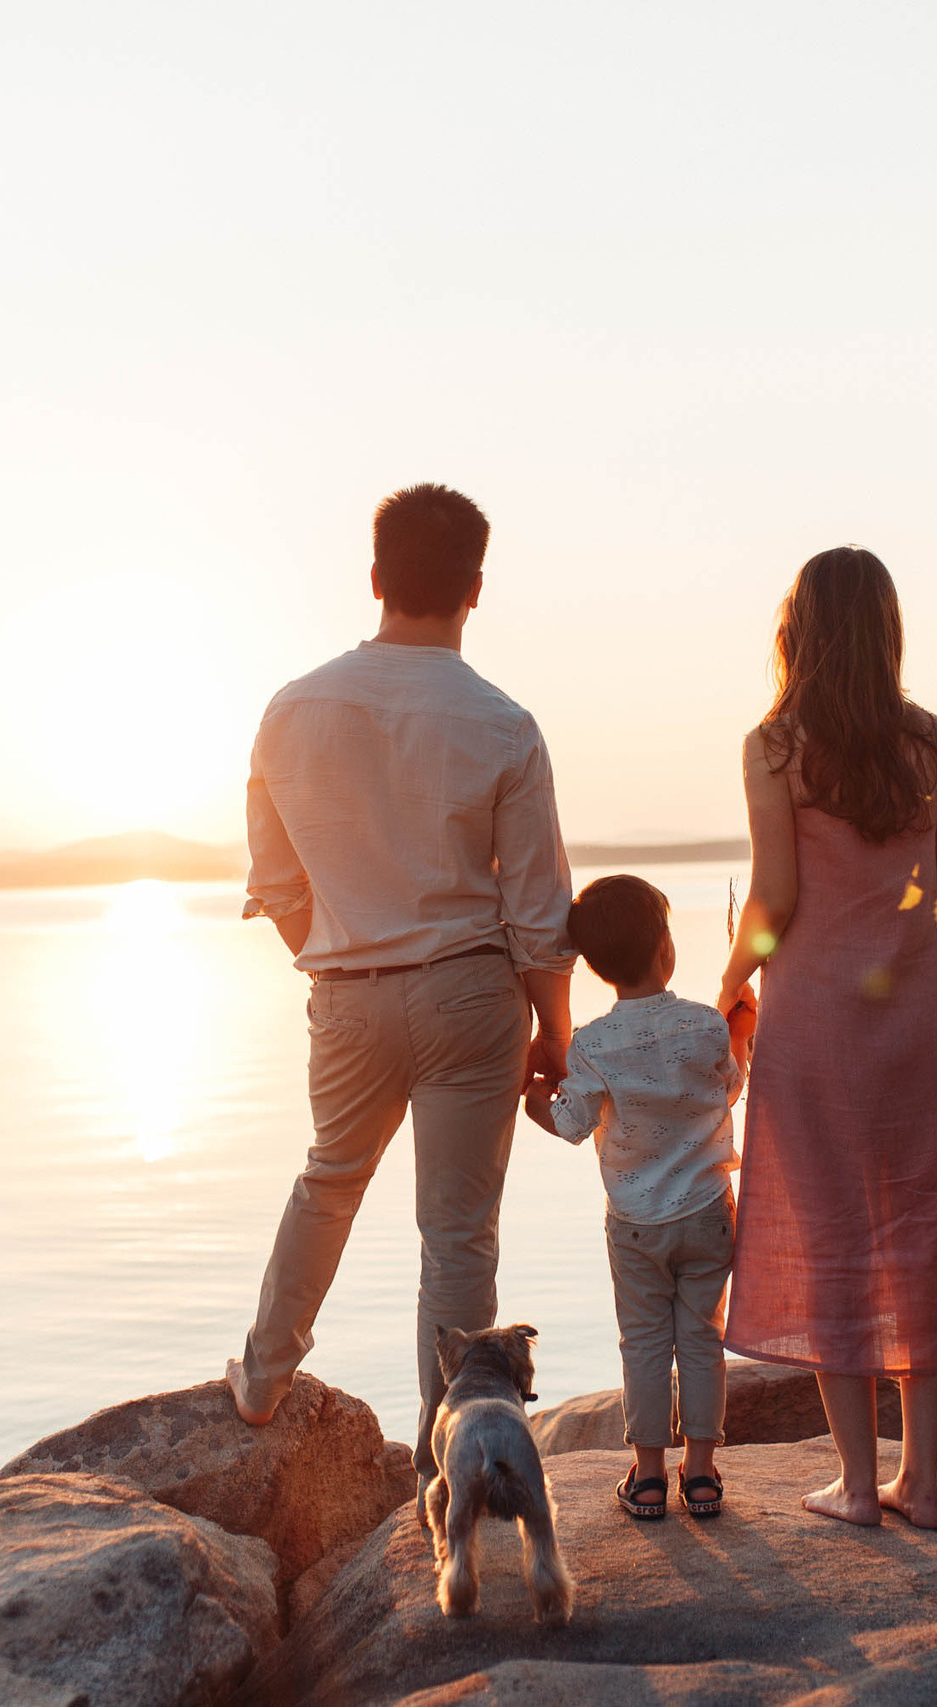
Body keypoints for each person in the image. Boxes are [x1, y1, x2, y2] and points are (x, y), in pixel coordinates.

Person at [225, 483, 576, 1470]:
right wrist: (554, 1034)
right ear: (474, 589)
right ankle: (445, 1454)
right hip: (470, 992)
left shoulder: (289, 711)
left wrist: (338, 953)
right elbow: (540, 914)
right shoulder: (504, 724)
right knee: (457, 1234)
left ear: (374, 579)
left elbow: (274, 883)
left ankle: (261, 1379)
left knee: (327, 1180)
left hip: (345, 991)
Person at [714, 544, 937, 1529]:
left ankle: (854, 1481)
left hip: (814, 1029)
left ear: (800, 629)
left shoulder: (774, 747)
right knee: (925, 1242)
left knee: (831, 1237)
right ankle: (921, 1484)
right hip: (918, 1027)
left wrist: (729, 977)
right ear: (885, 631)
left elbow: (776, 898)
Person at [525, 874, 749, 1522]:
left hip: (635, 1225)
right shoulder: (706, 1026)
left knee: (645, 1341)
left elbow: (570, 1125)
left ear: (596, 969)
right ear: (666, 950)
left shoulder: (592, 1043)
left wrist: (534, 1096)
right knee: (703, 1338)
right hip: (709, 1211)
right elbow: (729, 1087)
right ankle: (702, 1473)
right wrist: (741, 1030)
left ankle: (649, 1477)